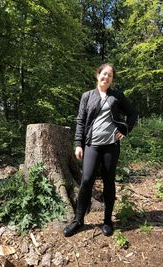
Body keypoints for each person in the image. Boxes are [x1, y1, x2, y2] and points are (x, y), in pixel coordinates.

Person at [63, 63, 138, 237]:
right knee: (87, 180)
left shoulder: (117, 96)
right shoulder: (87, 96)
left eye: (110, 76)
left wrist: (124, 130)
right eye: (104, 74)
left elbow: (133, 114)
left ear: (112, 79)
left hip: (111, 146)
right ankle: (78, 220)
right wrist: (78, 143)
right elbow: (81, 121)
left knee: (108, 181)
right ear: (98, 75)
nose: (106, 78)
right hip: (91, 145)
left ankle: (107, 221)